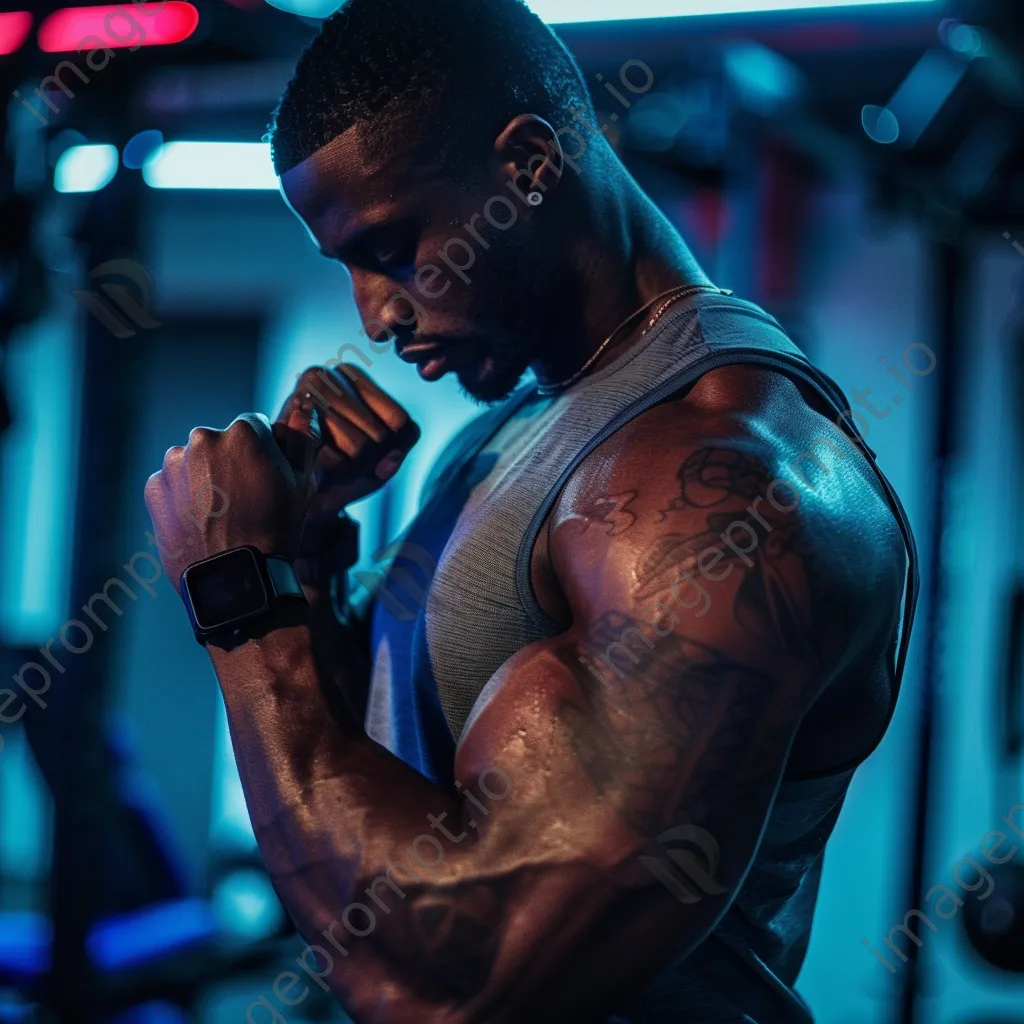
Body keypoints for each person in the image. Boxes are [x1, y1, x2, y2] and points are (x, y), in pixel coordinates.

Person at [143, 1, 918, 1020]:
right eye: (348, 268)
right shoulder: (500, 434)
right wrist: (301, 557)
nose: (376, 319)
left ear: (528, 164)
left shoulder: (731, 485)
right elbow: (364, 776)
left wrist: (238, 600)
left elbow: (465, 980)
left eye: (390, 248)